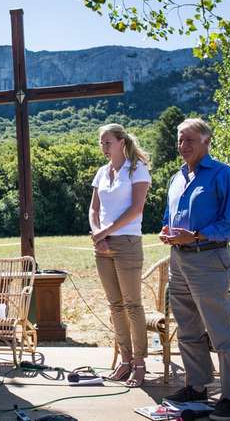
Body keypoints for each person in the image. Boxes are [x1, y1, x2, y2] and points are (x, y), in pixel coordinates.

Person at [159, 118, 230, 421]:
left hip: (209, 259)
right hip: (178, 260)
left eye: (190, 140)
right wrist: (166, 231)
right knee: (187, 327)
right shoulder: (177, 177)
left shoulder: (224, 174)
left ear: (207, 142)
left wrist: (195, 236)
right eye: (180, 140)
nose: (183, 146)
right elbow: (169, 215)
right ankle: (197, 387)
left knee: (221, 331)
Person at [88, 123, 151, 388]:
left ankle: (140, 363)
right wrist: (98, 234)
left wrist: (104, 233)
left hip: (127, 242)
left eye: (108, 142)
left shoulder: (137, 169)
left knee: (132, 304)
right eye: (101, 143)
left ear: (121, 142)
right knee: (115, 305)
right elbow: (94, 209)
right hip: (102, 245)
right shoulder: (102, 172)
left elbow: (136, 209)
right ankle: (125, 361)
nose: (104, 147)